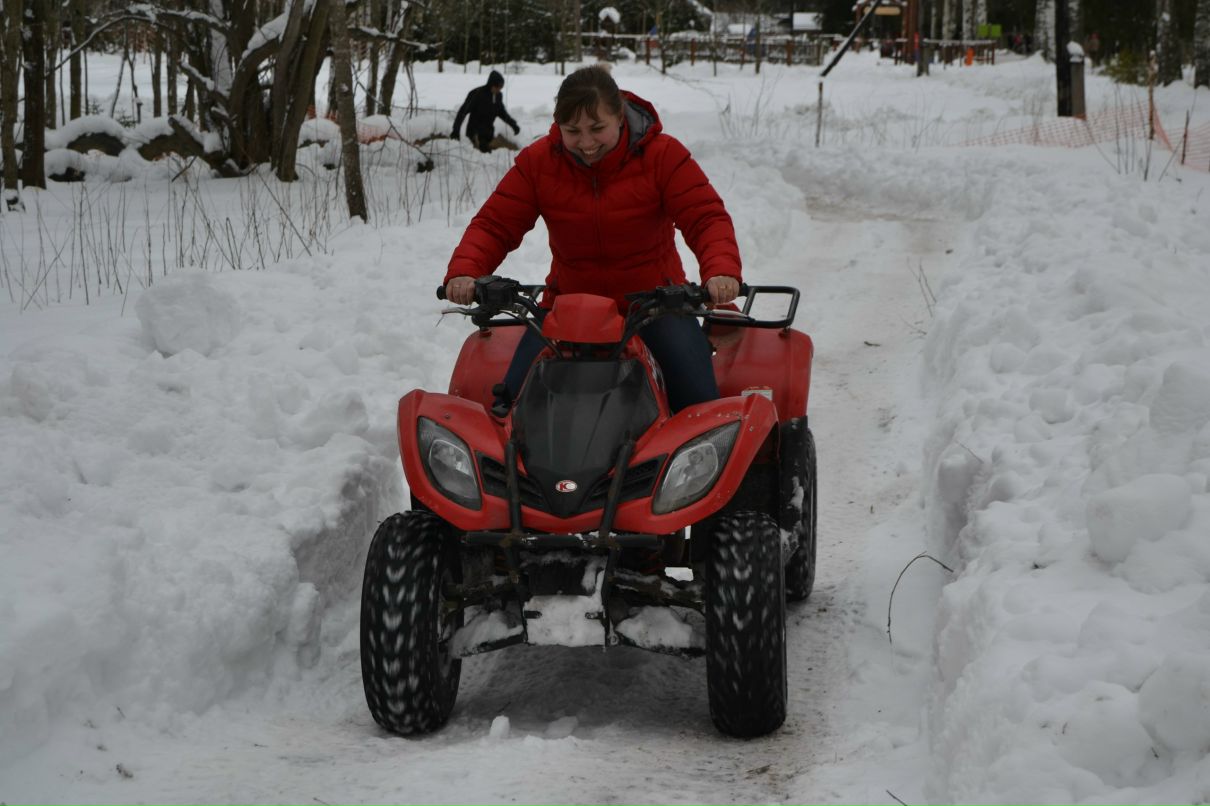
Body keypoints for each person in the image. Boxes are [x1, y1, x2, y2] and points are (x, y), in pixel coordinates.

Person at [444, 64, 743, 414]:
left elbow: (705, 217)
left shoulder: (663, 156)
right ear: (558, 125)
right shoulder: (539, 163)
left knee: (698, 405)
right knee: (511, 407)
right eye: (573, 131)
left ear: (619, 117)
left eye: (597, 128)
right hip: (568, 308)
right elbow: (495, 224)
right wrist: (465, 270)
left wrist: (720, 271)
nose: (585, 143)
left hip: (656, 306)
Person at [451, 70, 521, 153]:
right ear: (491, 84)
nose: (499, 89)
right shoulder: (476, 94)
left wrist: (513, 124)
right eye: (497, 86)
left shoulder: (498, 96)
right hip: (474, 135)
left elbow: (502, 112)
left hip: (488, 134)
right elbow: (463, 112)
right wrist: (456, 129)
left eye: (501, 87)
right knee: (482, 155)